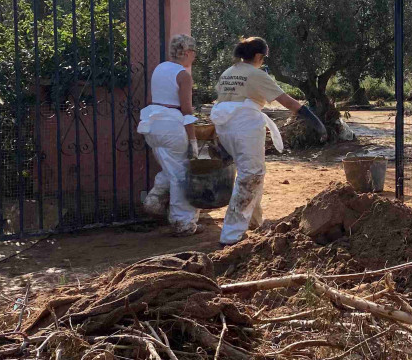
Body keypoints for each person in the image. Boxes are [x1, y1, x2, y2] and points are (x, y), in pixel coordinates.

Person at [212, 37, 327, 246]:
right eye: (263, 58)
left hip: (223, 126)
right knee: (251, 175)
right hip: (245, 124)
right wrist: (316, 122)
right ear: (258, 56)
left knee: (253, 172)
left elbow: (224, 101)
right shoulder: (256, 74)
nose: (263, 62)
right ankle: (231, 235)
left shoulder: (228, 72)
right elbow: (288, 102)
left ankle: (254, 222)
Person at [137, 34, 201, 235]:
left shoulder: (159, 68)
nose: (194, 58)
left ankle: (154, 199)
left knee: (171, 166)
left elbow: (151, 98)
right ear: (188, 53)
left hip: (151, 125)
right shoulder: (183, 75)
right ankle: (182, 222)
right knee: (182, 174)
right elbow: (187, 110)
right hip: (172, 126)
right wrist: (193, 139)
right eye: (194, 54)